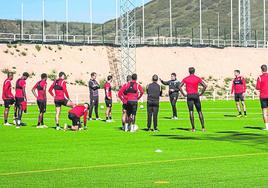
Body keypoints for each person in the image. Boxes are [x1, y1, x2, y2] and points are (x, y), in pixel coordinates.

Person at [179, 67, 207, 132]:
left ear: (189, 71)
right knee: (199, 111)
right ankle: (203, 127)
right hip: (196, 95)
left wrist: (183, 94)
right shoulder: (197, 78)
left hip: (189, 95)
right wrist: (201, 93)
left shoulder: (186, 78)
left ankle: (193, 128)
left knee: (191, 111)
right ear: (194, 71)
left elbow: (179, 86)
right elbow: (205, 86)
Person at [256, 64, 268, 131]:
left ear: (261, 70)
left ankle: (267, 127)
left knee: (264, 112)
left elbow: (257, 87)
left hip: (263, 96)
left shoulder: (260, 77)